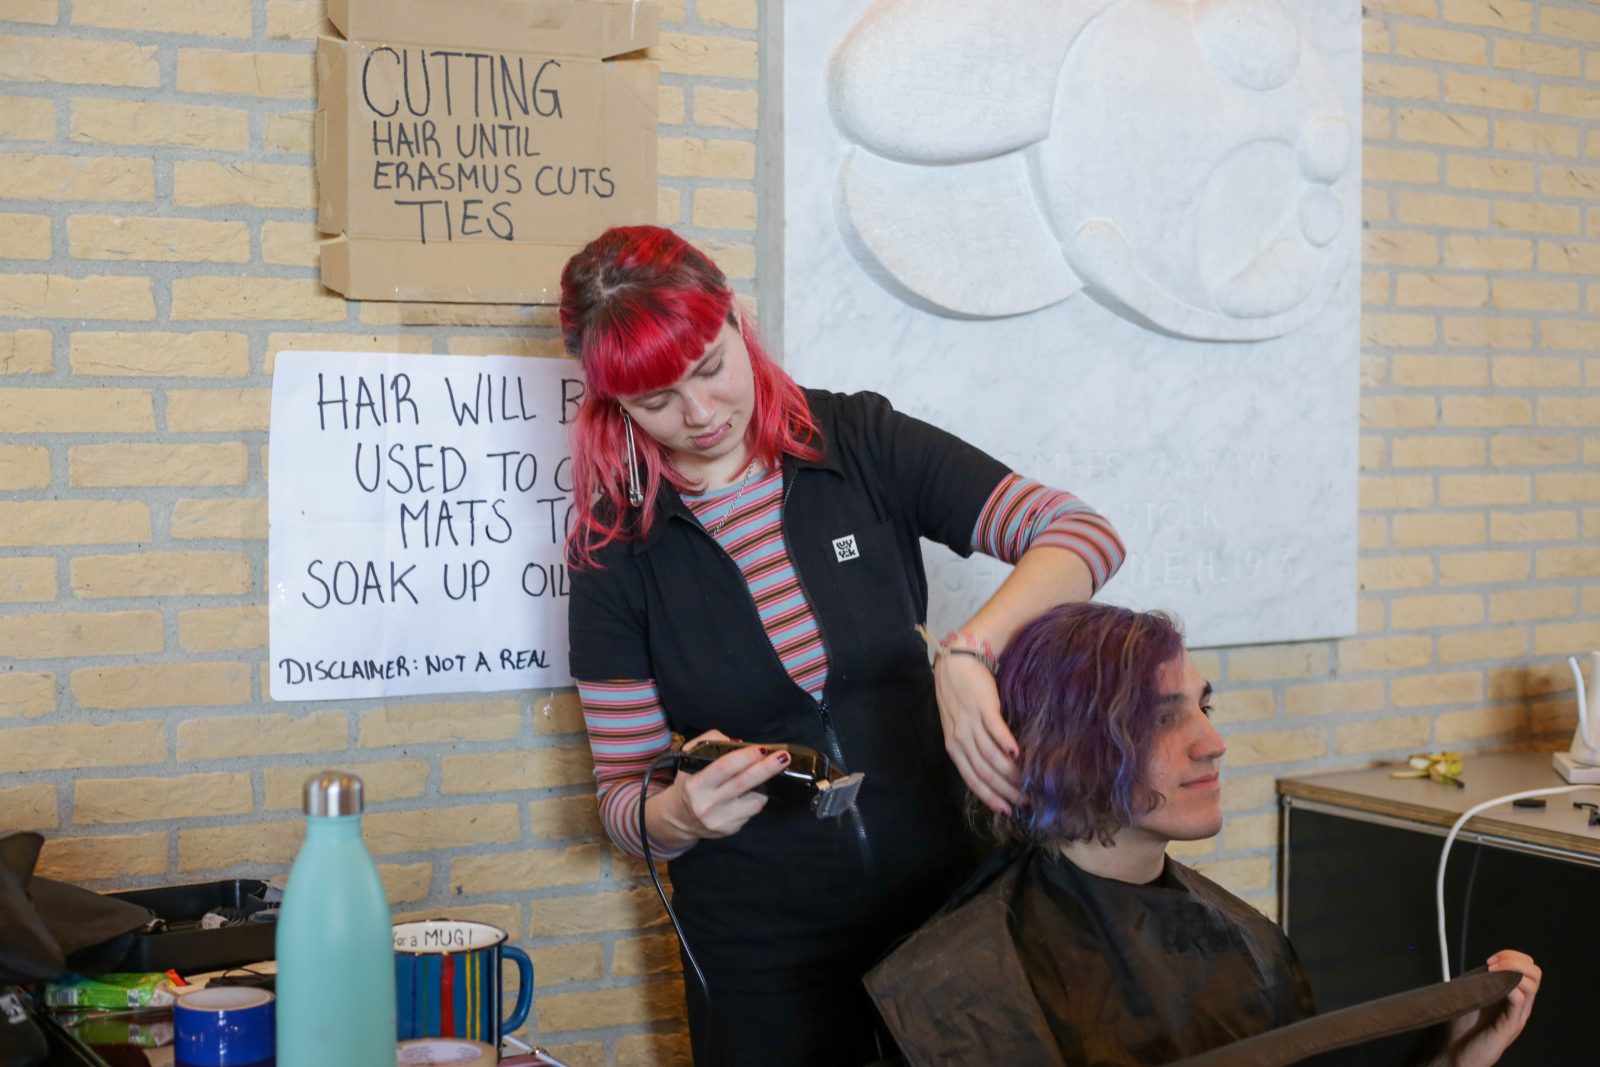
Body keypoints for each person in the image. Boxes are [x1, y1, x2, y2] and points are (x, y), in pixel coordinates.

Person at [560, 225, 1126, 1066]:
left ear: (737, 320)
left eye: (712, 367)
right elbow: (622, 796)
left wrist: (968, 652)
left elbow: (1081, 533)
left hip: (947, 910)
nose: (701, 414)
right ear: (613, 401)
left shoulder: (858, 440)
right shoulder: (611, 552)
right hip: (760, 954)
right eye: (656, 400)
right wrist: (676, 815)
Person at [866, 602, 1541, 1067]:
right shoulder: (961, 982)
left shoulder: (1250, 941)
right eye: (1164, 718)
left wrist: (1454, 1060)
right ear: (1066, 745)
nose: (1214, 742)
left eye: (1204, 706)